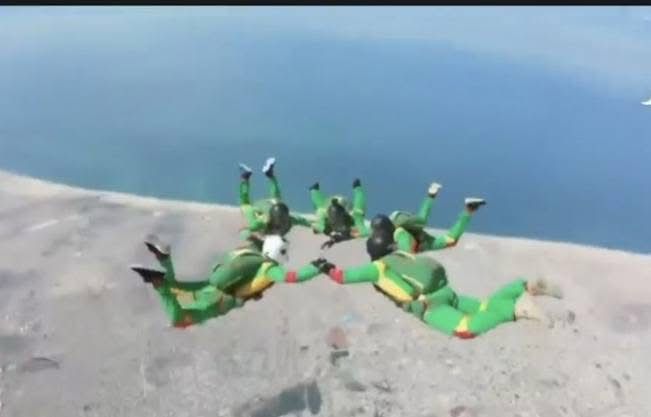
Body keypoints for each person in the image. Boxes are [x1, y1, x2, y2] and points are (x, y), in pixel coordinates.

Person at [316, 215, 562, 339]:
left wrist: (323, 266)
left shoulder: (377, 268)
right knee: (483, 306)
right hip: (446, 292)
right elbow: (430, 233)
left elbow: (342, 277)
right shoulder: (403, 251)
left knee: (465, 329)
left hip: (430, 305)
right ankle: (524, 288)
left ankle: (518, 308)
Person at [130, 234, 328, 328]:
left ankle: (164, 259)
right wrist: (317, 268)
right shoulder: (269, 269)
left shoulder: (251, 252)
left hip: (211, 283)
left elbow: (248, 235)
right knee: (178, 320)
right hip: (222, 300)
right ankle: (158, 280)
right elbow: (292, 277)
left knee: (175, 287)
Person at [383, 182, 486, 253]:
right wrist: (468, 213)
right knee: (450, 240)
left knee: (421, 222)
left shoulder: (403, 240)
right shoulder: (423, 244)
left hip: (395, 223)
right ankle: (470, 208)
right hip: (401, 227)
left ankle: (432, 194)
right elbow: (450, 239)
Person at [238, 157, 311, 239]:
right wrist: (246, 232)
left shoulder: (289, 219)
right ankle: (248, 177)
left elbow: (305, 222)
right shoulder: (266, 221)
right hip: (261, 208)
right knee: (246, 206)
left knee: (275, 198)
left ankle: (253, 177)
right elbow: (252, 227)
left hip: (269, 206)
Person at [308, 178, 371, 249]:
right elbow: (317, 223)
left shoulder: (355, 217)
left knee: (358, 210)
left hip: (346, 216)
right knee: (320, 205)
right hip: (329, 210)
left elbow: (365, 231)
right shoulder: (323, 212)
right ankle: (314, 190)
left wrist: (358, 189)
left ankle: (314, 190)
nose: (336, 222)